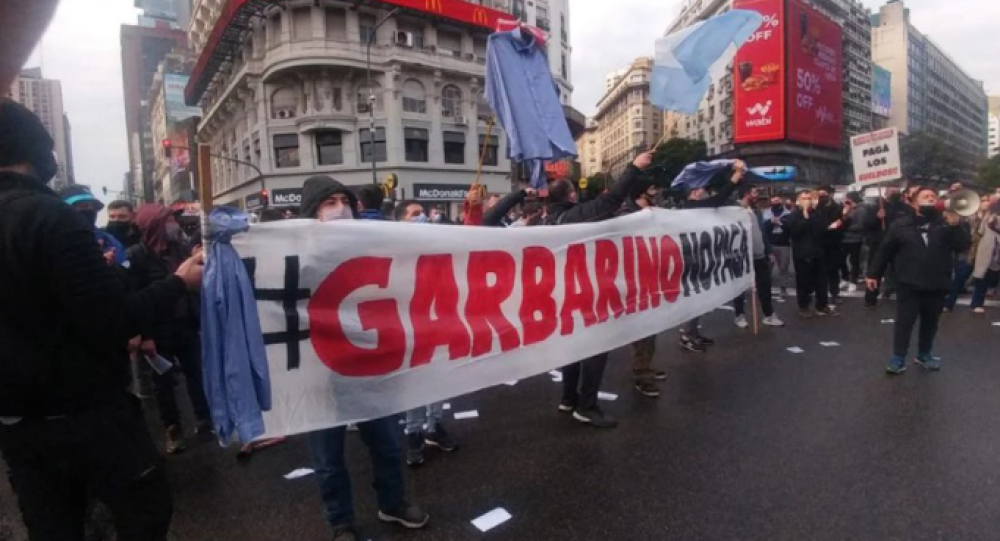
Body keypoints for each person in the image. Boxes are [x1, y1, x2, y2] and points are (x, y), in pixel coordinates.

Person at [0, 98, 205, 541]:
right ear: (36, 152)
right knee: (144, 512)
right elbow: (111, 318)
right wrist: (178, 283)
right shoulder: (48, 217)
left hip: (18, 426)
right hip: (86, 415)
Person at [299, 176, 428, 541]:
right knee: (327, 459)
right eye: (329, 202)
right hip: (318, 373)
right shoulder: (294, 256)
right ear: (312, 212)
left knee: (387, 443)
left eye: (344, 200)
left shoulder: (371, 247)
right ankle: (340, 522)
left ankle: (392, 503)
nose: (340, 207)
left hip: (370, 367)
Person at [546, 150, 654, 428]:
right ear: (571, 196)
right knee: (596, 348)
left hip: (560, 295)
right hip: (583, 295)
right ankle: (587, 406)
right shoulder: (570, 219)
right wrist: (633, 167)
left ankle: (568, 399)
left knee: (571, 349)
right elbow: (609, 201)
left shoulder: (543, 221)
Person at [126, 204, 212, 454]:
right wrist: (145, 335)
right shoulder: (136, 257)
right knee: (163, 383)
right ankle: (173, 429)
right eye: (168, 222)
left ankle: (204, 420)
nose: (174, 226)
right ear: (154, 226)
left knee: (195, 373)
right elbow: (136, 299)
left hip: (186, 323)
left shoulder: (181, 249)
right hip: (158, 331)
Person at [867, 187, 970, 374]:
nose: (931, 199)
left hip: (937, 282)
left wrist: (956, 225)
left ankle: (924, 354)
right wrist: (874, 274)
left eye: (933, 196)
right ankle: (898, 357)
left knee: (930, 322)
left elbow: (963, 246)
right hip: (908, 282)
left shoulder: (945, 224)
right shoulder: (901, 225)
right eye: (926, 196)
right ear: (914, 203)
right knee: (905, 322)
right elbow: (885, 251)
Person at [394, 204, 459, 466]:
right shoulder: (395, 248)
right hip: (409, 328)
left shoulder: (436, 245)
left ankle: (433, 427)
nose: (422, 216)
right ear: (400, 221)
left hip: (437, 323)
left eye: (423, 212)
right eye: (413, 214)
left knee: (437, 379)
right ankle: (414, 433)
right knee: (415, 382)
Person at [678, 160, 747, 351]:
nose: (704, 191)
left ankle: (693, 333)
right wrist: (734, 178)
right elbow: (719, 199)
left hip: (700, 259)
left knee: (699, 299)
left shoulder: (695, 207)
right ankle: (686, 335)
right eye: (701, 189)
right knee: (692, 299)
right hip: (691, 261)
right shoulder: (692, 207)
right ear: (694, 192)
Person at [616, 180, 668, 398]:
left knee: (651, 328)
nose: (656, 192)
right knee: (642, 329)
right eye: (653, 188)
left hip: (649, 278)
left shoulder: (648, 213)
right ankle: (641, 374)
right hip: (634, 281)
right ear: (642, 192)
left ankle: (646, 365)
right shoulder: (627, 215)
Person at [732, 186, 784, 329]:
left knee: (764, 286)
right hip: (742, 255)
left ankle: (769, 315)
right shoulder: (734, 210)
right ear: (746, 193)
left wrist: (769, 251)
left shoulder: (756, 210)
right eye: (754, 192)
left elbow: (762, 233)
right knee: (740, 287)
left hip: (759, 254)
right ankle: (739, 315)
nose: (757, 196)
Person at [786, 190, 838, 318]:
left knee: (821, 281)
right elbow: (795, 232)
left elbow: (821, 230)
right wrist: (805, 217)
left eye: (809, 198)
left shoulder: (817, 214)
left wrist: (831, 227)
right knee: (803, 282)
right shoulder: (793, 215)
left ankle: (822, 305)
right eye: (804, 198)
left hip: (818, 253)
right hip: (802, 254)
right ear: (798, 201)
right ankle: (804, 306)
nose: (807, 201)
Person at [862, 186, 911, 307]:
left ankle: (902, 297)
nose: (894, 193)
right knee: (875, 271)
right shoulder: (876, 207)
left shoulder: (905, 208)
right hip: (879, 243)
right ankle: (870, 299)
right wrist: (877, 218)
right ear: (885, 193)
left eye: (896, 191)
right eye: (892, 192)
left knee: (901, 271)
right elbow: (866, 225)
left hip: (899, 244)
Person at [814, 185, 846, 303]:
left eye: (823, 195)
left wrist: (842, 222)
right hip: (819, 244)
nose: (821, 198)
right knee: (820, 272)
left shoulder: (839, 208)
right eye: (819, 196)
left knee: (833, 271)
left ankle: (834, 293)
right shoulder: (816, 208)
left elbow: (843, 225)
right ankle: (821, 295)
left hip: (834, 244)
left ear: (831, 195)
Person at [762, 194, 794, 298]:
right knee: (767, 268)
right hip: (770, 244)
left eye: (778, 199)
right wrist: (771, 222)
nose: (776, 201)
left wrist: (780, 223)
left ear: (782, 200)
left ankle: (783, 288)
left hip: (784, 244)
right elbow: (763, 228)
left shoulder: (788, 213)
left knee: (783, 268)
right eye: (774, 199)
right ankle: (766, 288)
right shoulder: (766, 213)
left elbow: (790, 228)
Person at [841, 192, 866, 286]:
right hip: (845, 239)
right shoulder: (846, 209)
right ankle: (845, 278)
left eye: (845, 198)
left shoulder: (860, 210)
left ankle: (853, 280)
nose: (843, 200)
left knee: (854, 261)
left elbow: (860, 226)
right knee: (841, 259)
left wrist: (845, 227)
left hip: (855, 240)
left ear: (850, 199)